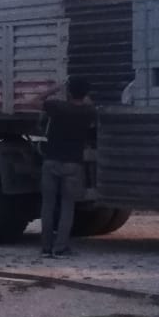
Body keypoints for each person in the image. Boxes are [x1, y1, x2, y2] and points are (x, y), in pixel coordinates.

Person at [38, 76, 96, 258]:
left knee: (47, 206)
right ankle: (61, 248)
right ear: (85, 94)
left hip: (51, 162)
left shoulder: (57, 107)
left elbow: (36, 100)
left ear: (69, 92)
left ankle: (46, 248)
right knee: (67, 207)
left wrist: (56, 88)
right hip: (73, 165)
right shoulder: (88, 112)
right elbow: (90, 105)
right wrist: (85, 96)